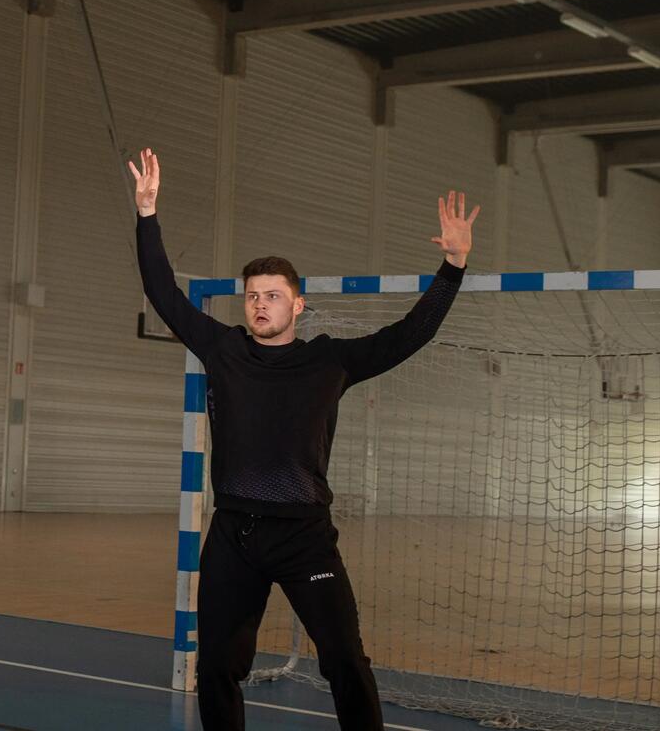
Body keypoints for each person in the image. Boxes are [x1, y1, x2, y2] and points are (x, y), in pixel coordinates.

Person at [129, 148, 477, 731]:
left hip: (305, 538)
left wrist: (454, 268)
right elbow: (163, 292)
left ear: (298, 304)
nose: (260, 304)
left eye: (272, 295)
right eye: (253, 296)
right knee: (215, 664)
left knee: (344, 660)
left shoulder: (330, 362)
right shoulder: (224, 350)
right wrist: (147, 216)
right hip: (234, 535)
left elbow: (409, 334)